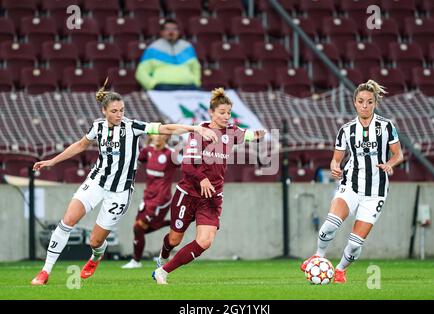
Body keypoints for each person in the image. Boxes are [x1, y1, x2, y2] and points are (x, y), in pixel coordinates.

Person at [30, 81, 218, 286]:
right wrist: (52, 161)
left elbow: (165, 128)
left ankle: (96, 256)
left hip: (119, 192)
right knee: (67, 221)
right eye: (114, 111)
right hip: (96, 182)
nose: (119, 115)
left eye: (121, 110)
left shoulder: (132, 127)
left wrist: (194, 128)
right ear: (104, 111)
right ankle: (45, 272)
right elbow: (81, 145)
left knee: (95, 241)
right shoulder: (97, 126)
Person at [152, 88, 266, 284]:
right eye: (222, 112)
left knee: (205, 241)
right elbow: (187, 166)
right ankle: (163, 255)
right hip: (188, 194)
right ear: (211, 112)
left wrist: (260, 134)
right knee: (174, 240)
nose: (226, 116)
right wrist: (202, 179)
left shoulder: (232, 132)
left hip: (212, 197)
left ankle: (163, 271)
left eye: (229, 113)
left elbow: (249, 134)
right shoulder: (200, 132)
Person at [300, 80, 404, 283]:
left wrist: (391, 163)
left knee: (356, 243)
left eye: (369, 102)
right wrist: (334, 167)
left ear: (375, 103)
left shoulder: (386, 126)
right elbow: (336, 159)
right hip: (351, 185)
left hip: (375, 192)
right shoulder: (346, 130)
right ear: (354, 103)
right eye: (361, 101)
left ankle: (339, 270)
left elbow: (398, 154)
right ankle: (318, 256)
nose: (365, 106)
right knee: (330, 224)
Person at [121, 134, 180, 269]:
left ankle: (136, 261)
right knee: (139, 230)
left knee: (138, 227)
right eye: (156, 133)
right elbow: (137, 159)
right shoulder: (147, 151)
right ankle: (169, 223)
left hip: (161, 199)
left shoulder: (171, 155)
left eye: (162, 134)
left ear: (167, 137)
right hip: (147, 197)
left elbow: (187, 167)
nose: (158, 137)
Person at [135, 18, 201, 91]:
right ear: (162, 32)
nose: (171, 32)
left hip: (188, 86)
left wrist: (196, 82)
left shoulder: (187, 47)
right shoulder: (153, 48)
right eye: (167, 29)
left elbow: (196, 68)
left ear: (178, 32)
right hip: (163, 87)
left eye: (174, 29)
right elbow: (141, 71)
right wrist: (152, 85)